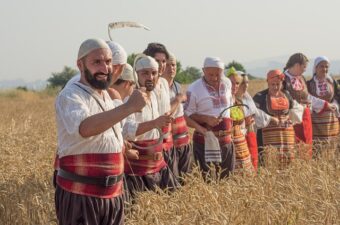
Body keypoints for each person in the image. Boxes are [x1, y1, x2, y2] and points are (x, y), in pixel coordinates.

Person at [54, 38, 147, 225]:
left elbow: (107, 137)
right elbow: (85, 128)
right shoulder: (71, 95)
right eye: (97, 62)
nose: (105, 68)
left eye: (108, 62)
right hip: (81, 195)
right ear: (80, 65)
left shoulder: (105, 96)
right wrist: (128, 107)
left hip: (113, 195)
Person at [122, 54, 177, 197]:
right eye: (145, 73)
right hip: (137, 170)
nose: (150, 77)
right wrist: (154, 123)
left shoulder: (154, 96)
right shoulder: (130, 98)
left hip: (159, 166)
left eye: (153, 73)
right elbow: (126, 131)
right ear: (136, 75)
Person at [184, 57, 235, 179]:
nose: (214, 78)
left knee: (227, 181)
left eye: (218, 74)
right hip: (204, 142)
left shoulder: (227, 83)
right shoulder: (194, 88)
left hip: (226, 141)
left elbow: (230, 105)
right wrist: (206, 119)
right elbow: (186, 115)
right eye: (210, 74)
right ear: (203, 71)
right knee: (207, 181)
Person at [283, 53, 336, 158]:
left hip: (305, 115)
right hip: (292, 117)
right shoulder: (284, 79)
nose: (305, 70)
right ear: (297, 65)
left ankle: (305, 166)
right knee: (294, 143)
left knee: (306, 142)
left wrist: (324, 104)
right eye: (304, 67)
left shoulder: (301, 78)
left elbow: (308, 97)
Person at [253, 69, 304, 168]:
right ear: (267, 82)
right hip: (266, 139)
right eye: (273, 84)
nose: (276, 87)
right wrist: (270, 119)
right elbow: (254, 112)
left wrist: (288, 116)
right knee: (269, 163)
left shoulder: (286, 94)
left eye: (278, 84)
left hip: (286, 137)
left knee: (287, 162)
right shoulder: (260, 97)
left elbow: (296, 108)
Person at [143, 43, 177, 177]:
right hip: (150, 147)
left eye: (164, 61)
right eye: (157, 61)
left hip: (167, 144)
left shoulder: (163, 83)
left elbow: (166, 113)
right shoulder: (142, 87)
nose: (162, 65)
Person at [162, 52, 193, 180]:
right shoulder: (159, 88)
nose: (171, 68)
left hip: (183, 141)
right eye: (168, 65)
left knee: (186, 177)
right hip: (169, 143)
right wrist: (178, 99)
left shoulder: (177, 86)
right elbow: (166, 112)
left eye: (173, 65)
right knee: (173, 178)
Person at [307, 56, 340, 155]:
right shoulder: (308, 84)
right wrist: (323, 105)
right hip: (316, 121)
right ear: (315, 68)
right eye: (321, 66)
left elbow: (337, 96)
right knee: (318, 147)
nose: (324, 69)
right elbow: (307, 98)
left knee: (332, 146)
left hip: (331, 119)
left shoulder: (332, 82)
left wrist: (334, 104)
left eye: (326, 67)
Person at [227, 71, 255, 175]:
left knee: (245, 172)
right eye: (231, 83)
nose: (234, 86)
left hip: (241, 140)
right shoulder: (223, 100)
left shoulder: (238, 101)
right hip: (229, 141)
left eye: (237, 83)